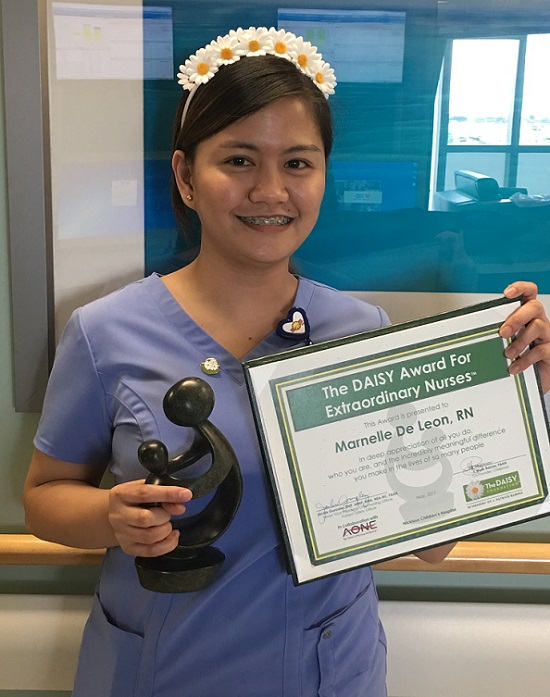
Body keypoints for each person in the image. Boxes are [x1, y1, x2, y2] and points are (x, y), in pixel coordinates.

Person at [23, 26, 550, 697]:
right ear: (186, 176)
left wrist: (520, 388)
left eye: (298, 163)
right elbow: (42, 499)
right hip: (161, 667)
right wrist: (110, 518)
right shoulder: (106, 332)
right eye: (239, 160)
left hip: (325, 670)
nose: (271, 190)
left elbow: (432, 542)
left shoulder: (365, 334)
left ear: (324, 175)